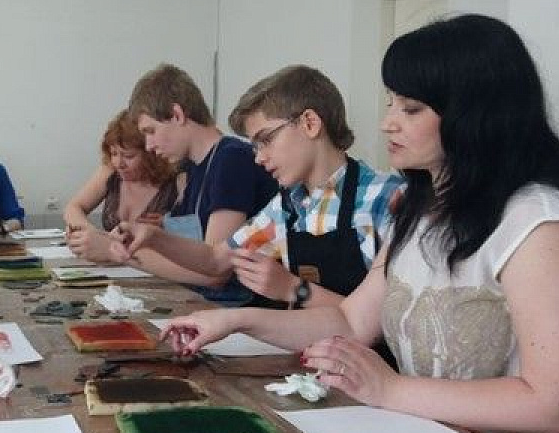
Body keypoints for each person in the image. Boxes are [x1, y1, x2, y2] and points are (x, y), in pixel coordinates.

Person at [160, 14, 559, 433]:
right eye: (391, 103)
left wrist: (391, 390)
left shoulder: (542, 226)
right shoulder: (421, 213)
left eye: (410, 108)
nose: (388, 122)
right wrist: (233, 321)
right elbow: (350, 322)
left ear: (474, 114)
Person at [119, 65, 404, 313]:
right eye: (255, 146)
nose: (258, 157)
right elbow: (216, 260)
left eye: (266, 140)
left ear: (309, 123)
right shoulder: (286, 207)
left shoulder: (385, 199)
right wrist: (154, 238)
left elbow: (381, 322)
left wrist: (294, 289)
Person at [116, 63, 277, 304]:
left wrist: (123, 254)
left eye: (150, 131)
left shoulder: (232, 159)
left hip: (241, 304)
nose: (149, 145)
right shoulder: (193, 168)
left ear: (177, 115)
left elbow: (214, 273)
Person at [64, 111, 181, 260]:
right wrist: (88, 233)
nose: (119, 164)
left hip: (155, 263)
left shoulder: (176, 180)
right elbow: (73, 207)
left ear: (150, 154)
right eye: (114, 154)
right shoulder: (109, 171)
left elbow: (193, 234)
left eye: (129, 156)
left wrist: (169, 226)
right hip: (115, 263)